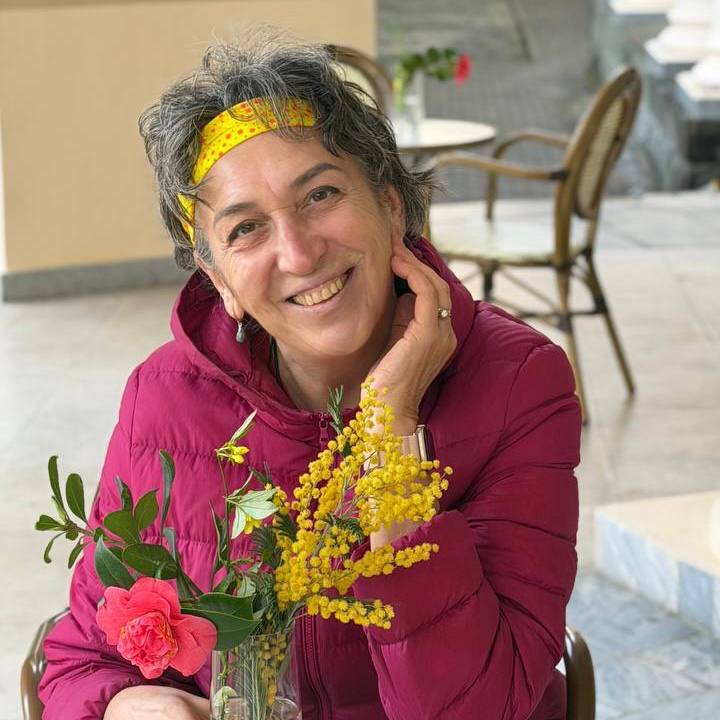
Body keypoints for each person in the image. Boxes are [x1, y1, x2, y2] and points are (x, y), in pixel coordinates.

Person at [38, 30, 581, 720]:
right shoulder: (164, 396)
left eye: (320, 194)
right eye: (245, 229)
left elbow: (479, 710)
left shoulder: (520, 383)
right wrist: (137, 704)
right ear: (218, 278)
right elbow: (84, 661)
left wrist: (391, 433)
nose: (297, 254)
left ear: (391, 205)